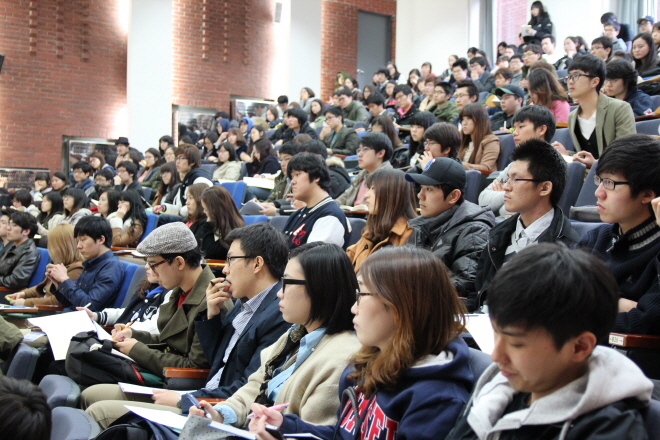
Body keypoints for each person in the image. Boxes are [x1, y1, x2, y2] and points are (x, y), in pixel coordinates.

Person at [246, 246, 474, 440]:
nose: (354, 308)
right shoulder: (365, 365)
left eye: (362, 295)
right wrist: (286, 427)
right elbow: (343, 435)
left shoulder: (437, 399)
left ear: (400, 306)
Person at [80, 224, 289, 428]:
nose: (224, 269)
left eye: (231, 260)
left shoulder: (278, 317)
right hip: (201, 395)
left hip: (214, 407)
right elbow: (215, 361)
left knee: (98, 411)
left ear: (257, 264)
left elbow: (246, 388)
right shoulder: (241, 304)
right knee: (91, 394)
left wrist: (186, 399)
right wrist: (211, 316)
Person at [446, 244, 652, 440]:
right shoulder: (494, 387)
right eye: (496, 334)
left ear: (579, 347)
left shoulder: (610, 429)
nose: (496, 356)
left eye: (516, 344)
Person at [187, 241, 360, 430]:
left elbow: (310, 431)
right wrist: (219, 415)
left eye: (287, 283)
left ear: (319, 289)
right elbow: (254, 387)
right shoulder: (295, 335)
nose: (279, 293)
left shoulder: (341, 358)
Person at [80, 223, 231, 413]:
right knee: (88, 387)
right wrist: (133, 335)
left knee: (92, 393)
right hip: (163, 374)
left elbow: (193, 366)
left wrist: (136, 349)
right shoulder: (178, 291)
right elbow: (169, 339)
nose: (149, 269)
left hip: (178, 388)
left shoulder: (212, 301)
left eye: (153, 264)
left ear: (179, 262)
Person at [470, 140, 580, 311]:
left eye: (515, 179)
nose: (506, 187)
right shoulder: (498, 235)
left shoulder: (569, 246)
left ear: (544, 188)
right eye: (507, 179)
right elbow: (477, 296)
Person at [578, 135, 660, 335]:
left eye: (609, 183)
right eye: (599, 180)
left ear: (647, 194)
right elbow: (554, 294)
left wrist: (584, 306)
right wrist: (617, 303)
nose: (598, 192)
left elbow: (643, 323)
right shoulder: (596, 238)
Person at [407, 158, 495, 295]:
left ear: (453, 196)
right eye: (421, 188)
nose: (420, 195)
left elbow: (466, 285)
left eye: (429, 189)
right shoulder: (423, 222)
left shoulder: (474, 230)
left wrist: (411, 286)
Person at [553, 54, 635, 168]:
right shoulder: (572, 116)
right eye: (569, 77)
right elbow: (584, 153)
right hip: (588, 175)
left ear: (595, 81)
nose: (570, 81)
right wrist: (566, 154)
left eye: (576, 76)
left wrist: (596, 164)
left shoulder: (620, 108)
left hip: (614, 173)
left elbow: (627, 152)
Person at [480, 105, 556, 218]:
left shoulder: (550, 165)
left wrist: (502, 194)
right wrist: (508, 194)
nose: (515, 133)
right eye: (514, 128)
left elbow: (518, 208)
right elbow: (483, 200)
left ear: (542, 129)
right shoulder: (514, 165)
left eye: (521, 126)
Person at [48, 216, 124, 311]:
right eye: (77, 241)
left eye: (83, 240)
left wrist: (64, 279)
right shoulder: (91, 263)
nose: (78, 246)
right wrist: (58, 284)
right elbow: (71, 303)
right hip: (70, 315)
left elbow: (89, 306)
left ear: (101, 239)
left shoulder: (111, 267)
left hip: (86, 319)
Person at [346, 169, 416, 271]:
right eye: (369, 188)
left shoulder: (410, 234)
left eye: (373, 189)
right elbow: (346, 259)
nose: (366, 195)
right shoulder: (372, 231)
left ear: (391, 194)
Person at [282, 153, 350, 249]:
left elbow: (313, 257)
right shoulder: (297, 214)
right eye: (292, 177)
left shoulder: (330, 216)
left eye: (298, 174)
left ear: (316, 177)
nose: (293, 181)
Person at [79, 263, 166, 335]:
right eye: (147, 262)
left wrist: (125, 328)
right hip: (123, 337)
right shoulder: (148, 287)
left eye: (152, 262)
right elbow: (130, 312)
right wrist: (96, 316)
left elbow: (154, 327)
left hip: (135, 343)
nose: (146, 266)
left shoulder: (169, 294)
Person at [8, 224, 83, 307]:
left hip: (51, 312)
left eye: (51, 245)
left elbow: (58, 301)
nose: (50, 249)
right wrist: (24, 294)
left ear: (61, 247)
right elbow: (42, 288)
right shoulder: (60, 265)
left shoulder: (77, 269)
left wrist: (26, 303)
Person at [154, 144, 212, 220]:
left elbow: (199, 206)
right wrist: (163, 208)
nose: (177, 162)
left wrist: (180, 212)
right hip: (187, 217)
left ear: (192, 162)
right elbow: (179, 207)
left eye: (181, 158)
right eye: (176, 158)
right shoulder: (186, 180)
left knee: (162, 219)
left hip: (199, 219)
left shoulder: (200, 179)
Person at [335, 132, 393, 207]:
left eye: (365, 149)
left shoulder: (389, 179)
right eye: (359, 150)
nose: (359, 154)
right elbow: (340, 200)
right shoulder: (361, 176)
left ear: (380, 153)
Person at [199, 185, 245, 260]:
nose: (204, 212)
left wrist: (208, 225)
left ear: (214, 209)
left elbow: (210, 252)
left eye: (206, 209)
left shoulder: (235, 229)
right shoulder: (215, 224)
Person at [0, 211, 39, 289]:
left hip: (8, 292)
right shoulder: (13, 247)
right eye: (9, 224)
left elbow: (16, 280)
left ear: (26, 231)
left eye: (14, 225)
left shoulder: (29, 252)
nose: (8, 228)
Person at [458, 103, 500, 172]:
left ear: (480, 120)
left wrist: (460, 164)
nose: (464, 123)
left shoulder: (491, 141)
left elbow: (486, 168)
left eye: (469, 118)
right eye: (462, 119)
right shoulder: (463, 140)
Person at [259, 142, 299, 216]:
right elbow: (272, 198)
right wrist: (259, 203)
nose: (282, 164)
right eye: (281, 160)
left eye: (287, 159)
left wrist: (276, 207)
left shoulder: (300, 180)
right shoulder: (281, 178)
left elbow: (293, 203)